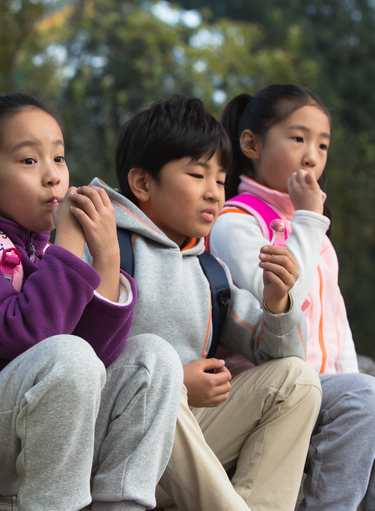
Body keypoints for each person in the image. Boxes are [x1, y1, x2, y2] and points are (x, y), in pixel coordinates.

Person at [0, 93, 181, 511]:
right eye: (29, 160)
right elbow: (32, 336)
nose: (53, 176)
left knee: (153, 358)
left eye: (58, 158)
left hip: (35, 424)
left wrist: (107, 257)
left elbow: (97, 355)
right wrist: (69, 240)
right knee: (67, 356)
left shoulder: (38, 252)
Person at [210, 84, 375, 511]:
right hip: (274, 386)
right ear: (252, 145)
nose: (311, 156)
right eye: (298, 138)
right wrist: (308, 218)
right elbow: (282, 307)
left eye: (322, 144)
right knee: (364, 397)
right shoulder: (237, 222)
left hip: (331, 385)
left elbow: (337, 321)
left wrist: (360, 383)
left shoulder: (311, 225)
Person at [88, 94, 322, 511]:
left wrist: (277, 302)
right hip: (112, 452)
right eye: (198, 175)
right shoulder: (105, 247)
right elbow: (79, 360)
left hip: (185, 452)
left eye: (220, 179)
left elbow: (279, 353)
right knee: (154, 364)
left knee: (297, 381)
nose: (214, 193)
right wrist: (176, 383)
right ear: (142, 183)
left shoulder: (210, 271)